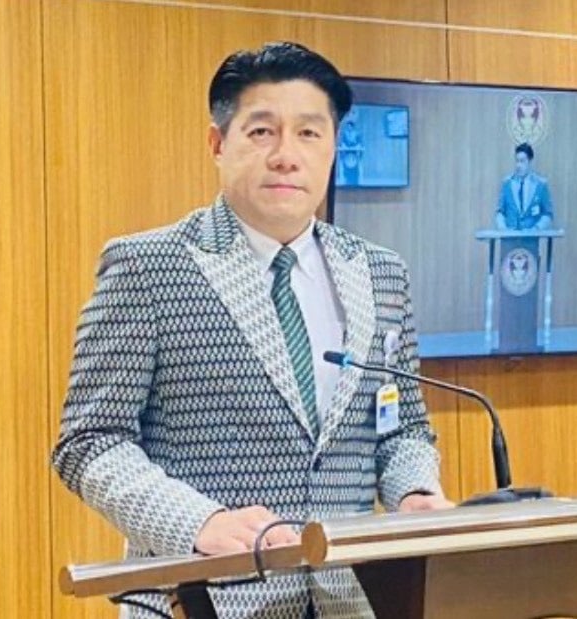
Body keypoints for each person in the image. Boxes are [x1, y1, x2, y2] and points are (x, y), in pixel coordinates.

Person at [52, 41, 452, 619]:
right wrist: (200, 522)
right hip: (203, 599)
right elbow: (90, 442)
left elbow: (402, 428)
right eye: (262, 132)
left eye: (309, 133)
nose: (286, 156)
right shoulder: (148, 266)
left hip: (350, 601)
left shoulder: (381, 273)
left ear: (333, 148)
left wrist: (414, 492)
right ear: (218, 144)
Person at [495, 142, 554, 230]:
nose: (518, 165)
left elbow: (548, 214)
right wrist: (503, 228)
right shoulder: (507, 184)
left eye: (522, 161)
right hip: (509, 237)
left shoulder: (540, 185)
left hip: (531, 237)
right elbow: (500, 211)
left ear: (530, 161)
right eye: (517, 161)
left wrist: (536, 228)